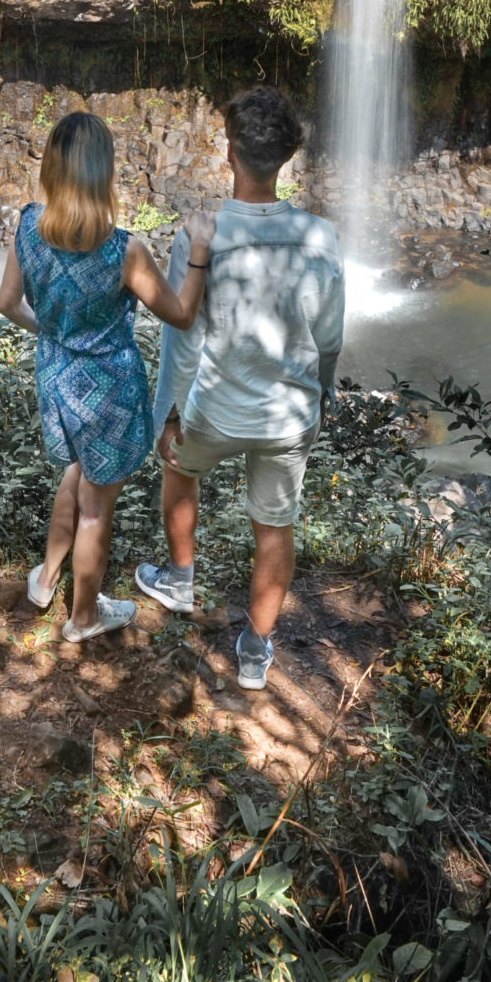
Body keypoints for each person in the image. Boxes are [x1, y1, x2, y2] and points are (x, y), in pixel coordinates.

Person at [136, 86, 344, 690]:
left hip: (215, 409)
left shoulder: (202, 233)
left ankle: (179, 576)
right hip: (288, 416)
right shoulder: (320, 238)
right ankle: (255, 651)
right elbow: (329, 339)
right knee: (276, 527)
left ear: (230, 153)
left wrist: (166, 416)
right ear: (286, 159)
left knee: (180, 468)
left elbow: (183, 339)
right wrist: (321, 396)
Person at [0, 111, 217, 643]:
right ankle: (84, 618)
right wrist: (201, 254)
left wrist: (50, 331)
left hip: (56, 377)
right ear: (105, 173)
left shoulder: (29, 224)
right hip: (110, 391)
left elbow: (6, 303)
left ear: (51, 168)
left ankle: (45, 581)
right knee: (97, 509)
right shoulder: (124, 250)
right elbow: (184, 314)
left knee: (76, 475)